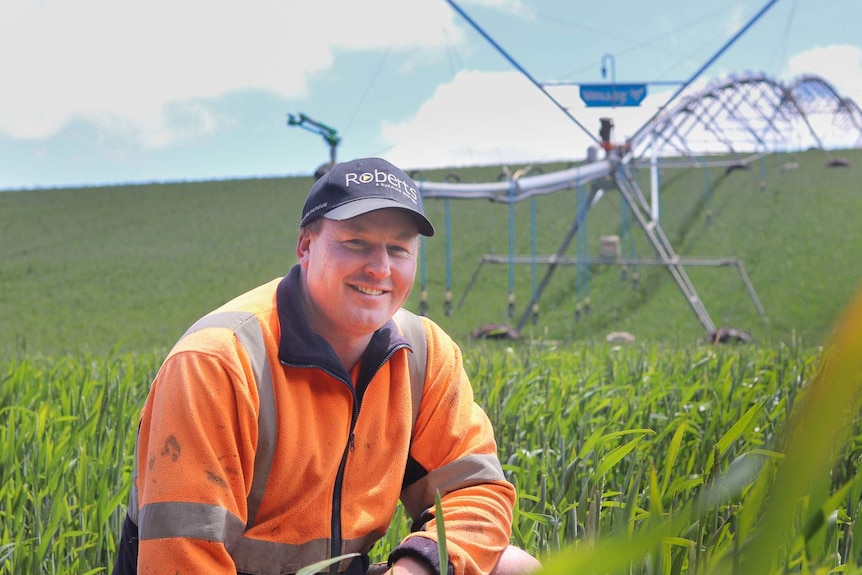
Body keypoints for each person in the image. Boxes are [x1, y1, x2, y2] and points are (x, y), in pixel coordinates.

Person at [111, 157, 541, 575]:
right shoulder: (218, 362)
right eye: (356, 243)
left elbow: (476, 490)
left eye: (398, 249)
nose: (380, 268)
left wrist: (416, 568)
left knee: (516, 568)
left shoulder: (424, 355)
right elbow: (181, 559)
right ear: (306, 246)